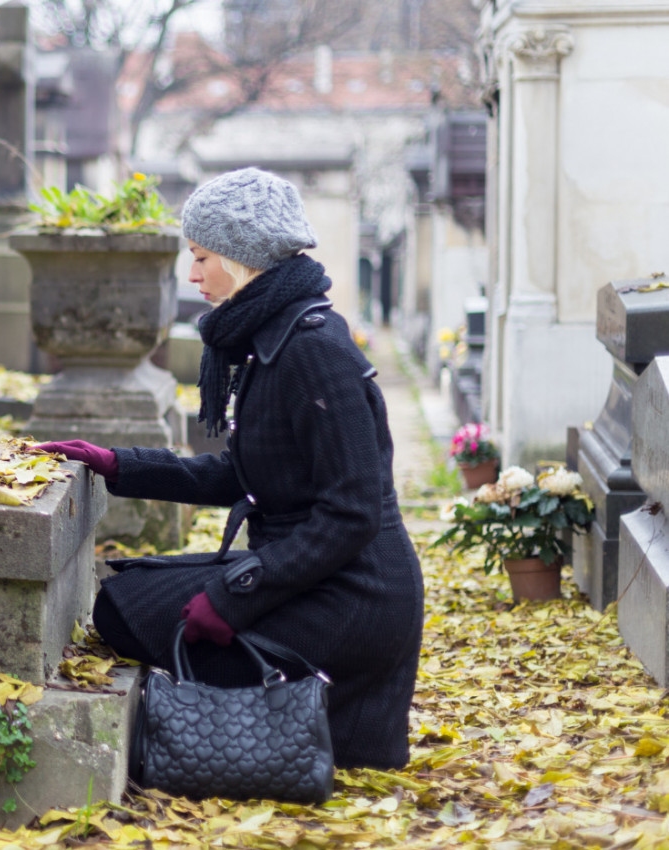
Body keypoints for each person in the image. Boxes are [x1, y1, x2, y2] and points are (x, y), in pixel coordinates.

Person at [38, 167, 424, 770]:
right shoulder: (278, 337)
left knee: (134, 611)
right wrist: (117, 464)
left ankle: (295, 711)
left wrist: (237, 596)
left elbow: (351, 515)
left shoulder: (314, 351)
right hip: (313, 571)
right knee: (126, 595)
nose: (193, 277)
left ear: (244, 258)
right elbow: (247, 474)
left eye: (202, 257)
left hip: (357, 594)